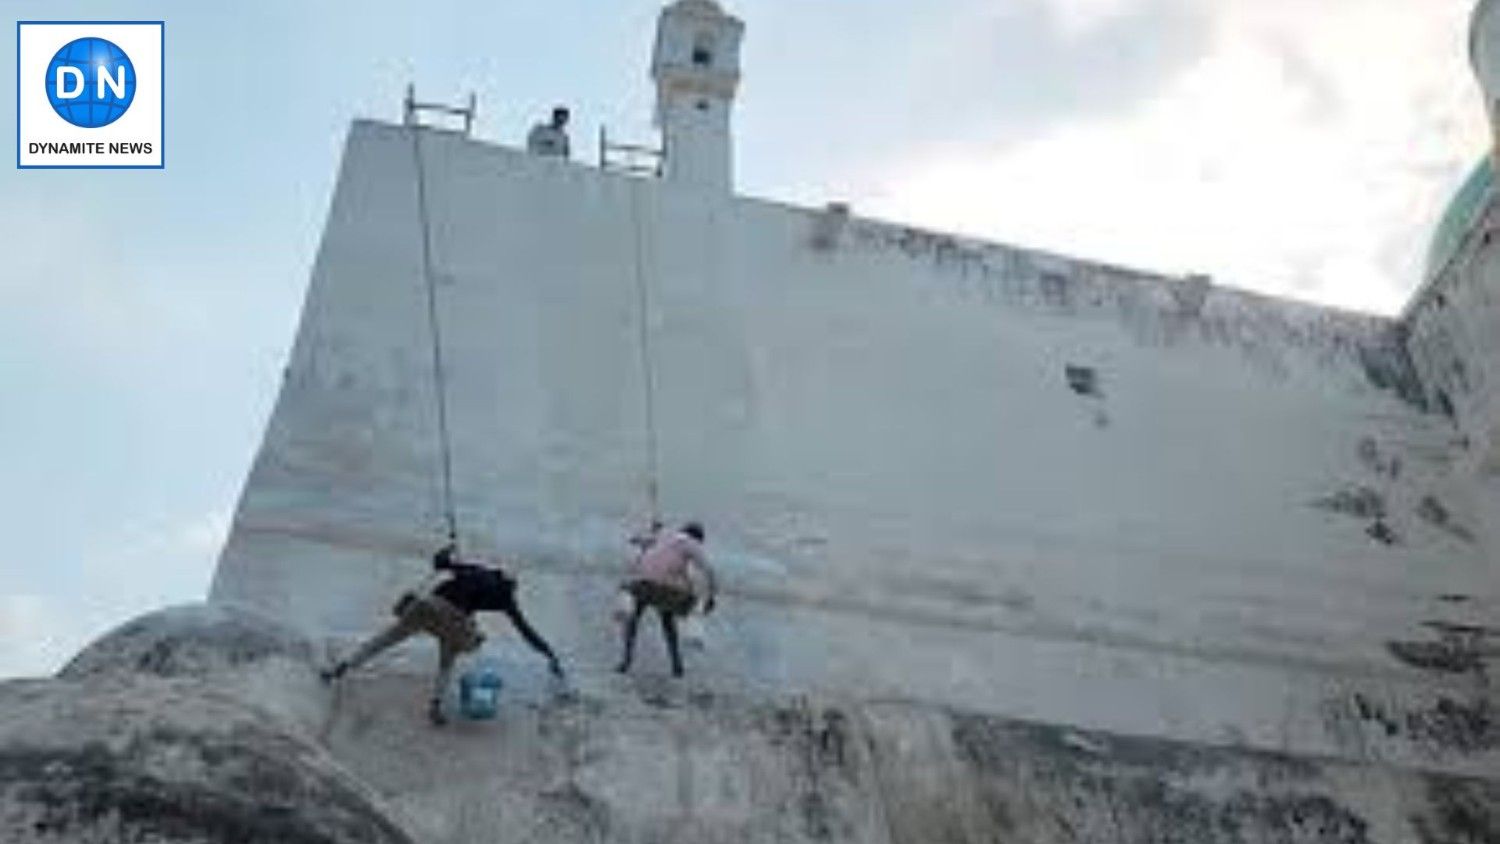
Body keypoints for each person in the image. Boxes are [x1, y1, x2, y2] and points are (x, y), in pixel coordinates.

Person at [323, 543, 564, 725]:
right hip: (454, 620)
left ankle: (343, 667)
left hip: (429, 605)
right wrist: (550, 655)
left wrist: (448, 550)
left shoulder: (477, 571)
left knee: (388, 637)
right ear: (511, 586)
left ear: (499, 573)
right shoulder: (506, 599)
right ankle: (435, 706)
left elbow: (439, 563)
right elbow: (526, 632)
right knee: (451, 656)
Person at [617, 521, 718, 677]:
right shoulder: (691, 544)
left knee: (634, 618)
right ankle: (677, 663)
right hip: (667, 592)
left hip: (644, 585)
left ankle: (626, 660)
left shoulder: (664, 535)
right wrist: (711, 597)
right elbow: (708, 570)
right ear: (697, 538)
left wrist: (653, 532)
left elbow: (635, 540)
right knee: (668, 619)